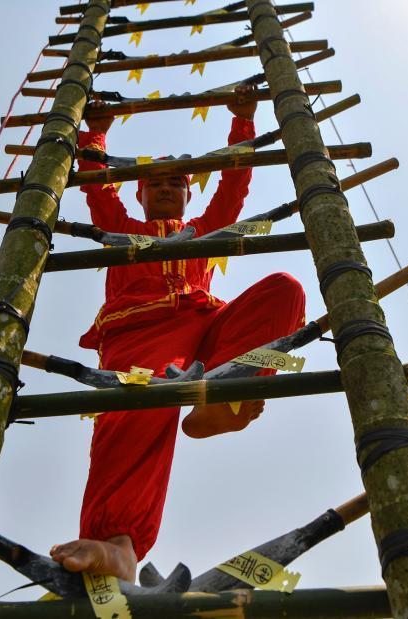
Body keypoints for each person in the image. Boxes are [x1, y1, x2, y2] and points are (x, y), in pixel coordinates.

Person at [50, 86, 306, 582]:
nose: (166, 189)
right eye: (155, 184)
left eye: (176, 183)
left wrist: (244, 122)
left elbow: (233, 192)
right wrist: (96, 133)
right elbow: (98, 188)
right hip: (142, 329)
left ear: (189, 193)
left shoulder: (206, 231)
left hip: (205, 328)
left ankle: (224, 400)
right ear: (139, 193)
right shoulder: (121, 229)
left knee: (285, 292)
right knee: (134, 419)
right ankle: (118, 545)